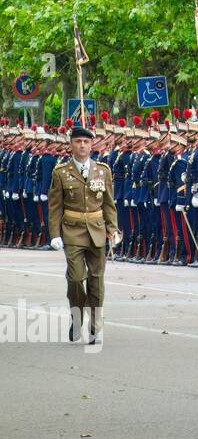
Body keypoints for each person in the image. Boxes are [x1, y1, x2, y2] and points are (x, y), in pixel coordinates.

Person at [48, 125, 119, 344]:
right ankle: (76, 315)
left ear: (92, 145)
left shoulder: (102, 170)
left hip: (97, 230)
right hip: (72, 230)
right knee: (76, 278)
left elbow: (108, 204)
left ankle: (95, 324)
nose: (82, 146)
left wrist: (113, 229)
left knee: (96, 281)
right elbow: (55, 206)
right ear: (71, 145)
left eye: (86, 142)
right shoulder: (61, 172)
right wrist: (54, 234)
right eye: (78, 141)